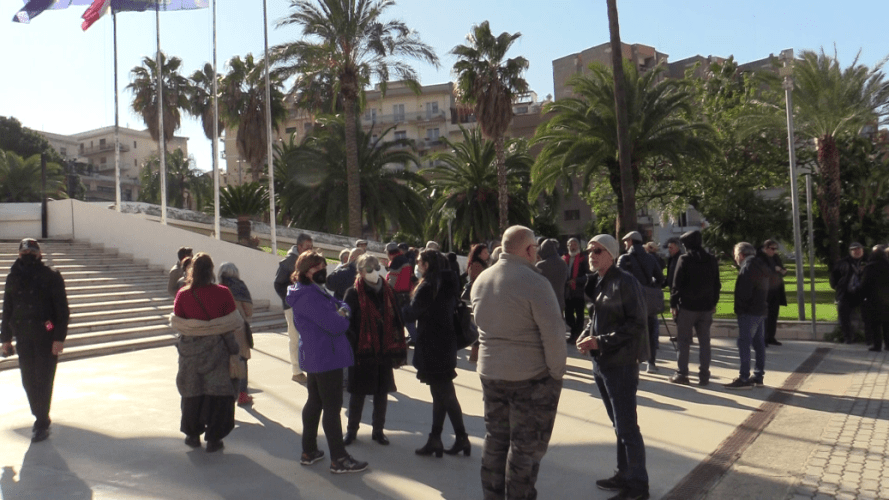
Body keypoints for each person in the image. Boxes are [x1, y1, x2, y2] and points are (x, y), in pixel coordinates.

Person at [471, 226, 567, 499]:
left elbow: (478, 323)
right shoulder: (535, 282)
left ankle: (492, 494)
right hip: (530, 378)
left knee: (495, 439)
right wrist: (557, 373)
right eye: (534, 248)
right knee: (525, 447)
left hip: (491, 373)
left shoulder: (482, 279)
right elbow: (554, 335)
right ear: (528, 249)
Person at [576, 234, 649, 500]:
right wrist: (586, 335)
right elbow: (595, 316)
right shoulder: (599, 281)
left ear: (611, 254)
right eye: (589, 251)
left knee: (627, 427)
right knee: (619, 425)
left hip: (621, 364)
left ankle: (638, 487)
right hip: (602, 363)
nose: (591, 256)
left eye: (597, 251)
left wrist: (601, 341)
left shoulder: (625, 282)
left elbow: (636, 324)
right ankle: (624, 473)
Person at [287, 251, 368, 474]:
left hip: (317, 354)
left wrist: (342, 310)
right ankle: (339, 458)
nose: (323, 271)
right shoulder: (309, 295)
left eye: (324, 266)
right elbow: (336, 325)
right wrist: (342, 313)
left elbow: (339, 303)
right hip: (326, 355)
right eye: (318, 267)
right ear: (307, 271)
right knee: (331, 407)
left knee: (315, 402)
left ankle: (309, 451)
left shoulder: (310, 290)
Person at [170, 252, 242, 453]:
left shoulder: (183, 294)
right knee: (218, 395)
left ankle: (192, 435)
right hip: (218, 351)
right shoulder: (223, 293)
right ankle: (214, 438)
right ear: (211, 271)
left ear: (191, 271)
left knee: (192, 394)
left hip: (190, 353)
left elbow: (179, 322)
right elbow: (232, 322)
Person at [402, 250, 469, 459]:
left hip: (432, 345)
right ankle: (436, 438)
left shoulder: (428, 286)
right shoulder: (449, 282)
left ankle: (460, 437)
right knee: (441, 394)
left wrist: (401, 305)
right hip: (446, 343)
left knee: (445, 394)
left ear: (427, 264)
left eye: (419, 262)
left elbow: (411, 313)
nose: (417, 265)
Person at [1, 238, 70, 443]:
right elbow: (7, 309)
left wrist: (58, 338)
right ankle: (40, 415)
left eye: (31, 253)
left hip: (46, 334)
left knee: (44, 379)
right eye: (24, 253)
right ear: (19, 255)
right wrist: (6, 339)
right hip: (23, 336)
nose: (28, 256)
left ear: (39, 254)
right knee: (28, 380)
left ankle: (41, 422)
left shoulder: (51, 276)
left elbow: (62, 311)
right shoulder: (13, 277)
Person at [342, 255, 407, 446]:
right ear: (360, 272)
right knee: (358, 393)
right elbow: (346, 322)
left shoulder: (388, 291)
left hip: (384, 349)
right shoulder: (353, 293)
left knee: (381, 392)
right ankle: (351, 431)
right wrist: (355, 343)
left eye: (377, 267)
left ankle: (378, 430)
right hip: (362, 351)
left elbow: (397, 318)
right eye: (369, 269)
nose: (374, 272)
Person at [668, 230, 721, 386]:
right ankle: (704, 375)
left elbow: (676, 285)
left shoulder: (684, 259)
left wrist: (673, 304)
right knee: (705, 342)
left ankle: (682, 373)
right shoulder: (711, 259)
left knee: (683, 342)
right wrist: (714, 302)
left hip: (687, 307)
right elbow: (716, 284)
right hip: (706, 307)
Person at [724, 242, 770, 389]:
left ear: (741, 255)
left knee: (744, 343)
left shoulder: (747, 267)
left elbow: (744, 292)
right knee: (758, 344)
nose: (735, 258)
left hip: (749, 311)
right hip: (760, 309)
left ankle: (743, 378)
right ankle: (758, 376)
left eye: (735, 255)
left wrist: (740, 309)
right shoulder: (761, 265)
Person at [617, 231, 664, 373]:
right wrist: (650, 287)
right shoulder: (650, 258)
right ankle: (651, 363)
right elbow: (661, 278)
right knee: (651, 332)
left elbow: (617, 280)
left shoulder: (624, 258)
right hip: (648, 301)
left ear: (631, 241)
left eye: (626, 241)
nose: (625, 244)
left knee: (630, 332)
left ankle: (631, 363)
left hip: (630, 301)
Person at [274, 233, 313, 384]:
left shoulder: (310, 261)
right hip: (292, 307)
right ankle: (297, 371)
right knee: (295, 337)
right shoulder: (288, 263)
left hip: (308, 306)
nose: (310, 250)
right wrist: (291, 299)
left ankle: (309, 367)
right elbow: (278, 284)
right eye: (307, 247)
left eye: (311, 247)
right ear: (299, 247)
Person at [219, 262, 255, 406]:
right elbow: (249, 311)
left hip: (222, 330)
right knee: (242, 361)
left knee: (223, 362)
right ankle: (242, 394)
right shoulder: (241, 287)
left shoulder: (219, 288)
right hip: (239, 329)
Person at [830, 242, 866, 344]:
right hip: (845, 294)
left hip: (863, 294)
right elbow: (834, 277)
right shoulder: (843, 263)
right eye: (854, 249)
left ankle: (868, 337)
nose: (856, 251)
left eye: (858, 249)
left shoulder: (867, 261)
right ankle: (848, 337)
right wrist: (837, 286)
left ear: (862, 250)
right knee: (843, 316)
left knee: (868, 315)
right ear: (850, 251)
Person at [757, 240, 788, 347]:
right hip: (765, 290)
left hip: (776, 289)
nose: (774, 251)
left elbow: (781, 269)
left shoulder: (775, 257)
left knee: (773, 314)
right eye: (772, 249)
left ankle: (771, 337)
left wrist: (782, 271)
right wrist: (774, 269)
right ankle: (763, 338)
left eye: (776, 249)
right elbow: (761, 272)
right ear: (766, 248)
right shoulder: (760, 258)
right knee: (764, 315)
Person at [386, 242, 417, 343]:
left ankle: (396, 341)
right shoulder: (405, 259)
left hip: (397, 294)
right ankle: (416, 339)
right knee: (407, 319)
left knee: (395, 319)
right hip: (406, 293)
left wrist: (386, 291)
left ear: (389, 253)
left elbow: (392, 281)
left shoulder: (396, 261)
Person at [860, 245, 889, 352]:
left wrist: (862, 296)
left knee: (875, 323)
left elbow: (865, 284)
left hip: (874, 299)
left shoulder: (870, 267)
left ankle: (877, 345)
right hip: (887, 299)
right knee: (887, 323)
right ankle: (888, 344)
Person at [466, 243, 490, 363]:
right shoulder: (477, 265)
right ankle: (474, 354)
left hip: (482, 296)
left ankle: (475, 354)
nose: (487, 254)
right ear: (479, 254)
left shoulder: (482, 264)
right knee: (479, 325)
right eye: (485, 252)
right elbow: (477, 280)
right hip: (479, 296)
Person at [564, 237, 590, 344]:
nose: (572, 247)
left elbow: (588, 276)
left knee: (579, 315)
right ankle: (573, 333)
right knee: (568, 315)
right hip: (568, 292)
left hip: (579, 291)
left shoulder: (584, 259)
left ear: (578, 246)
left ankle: (578, 336)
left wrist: (576, 281)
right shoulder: (564, 259)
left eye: (574, 244)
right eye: (570, 245)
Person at [536, 238, 569, 316]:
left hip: (545, 301)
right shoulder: (563, 263)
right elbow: (567, 279)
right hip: (560, 299)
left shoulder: (541, 265)